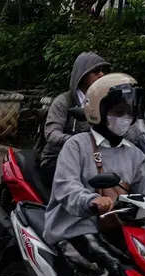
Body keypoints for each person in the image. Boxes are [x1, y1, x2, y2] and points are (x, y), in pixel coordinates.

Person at [43, 73, 145, 276]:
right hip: (74, 227)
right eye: (118, 112)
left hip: (116, 228)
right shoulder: (77, 146)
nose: (124, 118)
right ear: (99, 111)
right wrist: (90, 200)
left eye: (129, 113)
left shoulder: (134, 154)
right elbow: (65, 187)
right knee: (105, 265)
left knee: (141, 268)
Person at [39, 52, 110, 186]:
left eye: (102, 71)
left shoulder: (102, 102)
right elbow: (51, 133)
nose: (101, 75)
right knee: (86, 178)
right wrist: (75, 141)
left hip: (92, 158)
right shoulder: (64, 101)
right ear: (82, 75)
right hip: (57, 158)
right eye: (95, 71)